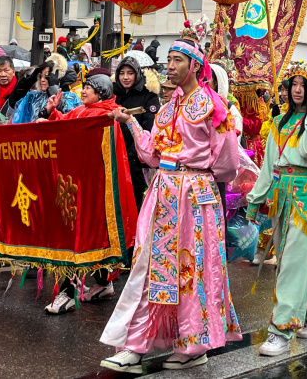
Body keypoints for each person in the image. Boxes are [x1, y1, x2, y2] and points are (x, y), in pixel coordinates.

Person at [101, 27, 241, 373]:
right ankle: (135, 344)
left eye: (177, 60)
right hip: (164, 191)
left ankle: (193, 344)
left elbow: (228, 161)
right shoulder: (169, 107)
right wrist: (130, 125)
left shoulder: (212, 105)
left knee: (191, 271)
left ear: (195, 65)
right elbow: (151, 152)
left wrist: (198, 176)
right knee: (149, 267)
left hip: (194, 195)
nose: (170, 67)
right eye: (169, 60)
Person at [247, 63, 307, 355]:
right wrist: (256, 199)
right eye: (293, 84)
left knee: (293, 265)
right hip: (281, 196)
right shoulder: (279, 122)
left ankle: (281, 331)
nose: (297, 90)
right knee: (288, 263)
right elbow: (269, 164)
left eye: (303, 85)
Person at [37, 70, 138, 313]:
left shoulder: (106, 116)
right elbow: (67, 124)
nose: (83, 91)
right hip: (77, 184)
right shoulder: (85, 111)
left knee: (84, 238)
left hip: (94, 189)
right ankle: (104, 284)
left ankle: (67, 293)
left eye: (89, 87)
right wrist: (50, 114)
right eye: (84, 87)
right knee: (90, 236)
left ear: (101, 92)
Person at [113, 56, 161, 210]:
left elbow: (149, 127)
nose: (125, 77)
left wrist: (132, 154)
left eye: (130, 73)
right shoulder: (113, 94)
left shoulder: (149, 96)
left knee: (136, 203)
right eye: (122, 73)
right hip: (114, 157)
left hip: (137, 161)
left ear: (137, 74)